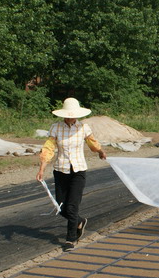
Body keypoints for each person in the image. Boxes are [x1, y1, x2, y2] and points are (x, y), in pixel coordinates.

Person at [37, 98, 107, 250]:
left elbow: (92, 142)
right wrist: (42, 168)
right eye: (67, 115)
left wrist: (100, 151)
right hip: (61, 170)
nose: (70, 118)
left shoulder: (83, 128)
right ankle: (79, 221)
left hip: (78, 170)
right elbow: (48, 148)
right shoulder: (56, 128)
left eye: (73, 115)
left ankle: (70, 239)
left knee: (72, 206)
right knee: (61, 207)